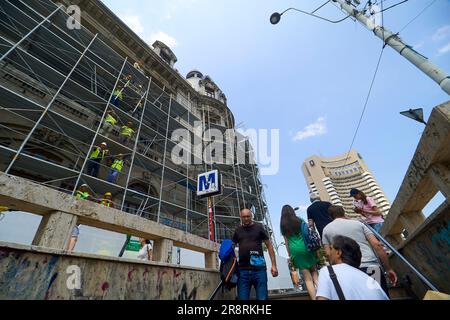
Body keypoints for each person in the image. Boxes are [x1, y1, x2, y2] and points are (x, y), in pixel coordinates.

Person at [322, 205, 397, 296]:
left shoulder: (326, 229)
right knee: (378, 295)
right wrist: (388, 268)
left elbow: (328, 254)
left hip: (346, 271)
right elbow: (377, 245)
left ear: (330, 216)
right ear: (343, 212)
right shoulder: (358, 223)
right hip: (371, 267)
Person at [316, 235, 389, 300]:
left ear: (338, 252)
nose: (329, 253)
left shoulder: (328, 271)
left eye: (331, 248)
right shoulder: (371, 280)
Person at [232, 207, 278, 300]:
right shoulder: (238, 230)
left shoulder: (259, 228)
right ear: (240, 217)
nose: (246, 218)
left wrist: (274, 265)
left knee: (262, 298)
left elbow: (269, 245)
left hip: (259, 270)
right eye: (244, 217)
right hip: (243, 270)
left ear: (251, 216)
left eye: (248, 216)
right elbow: (232, 246)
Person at [280, 205, 319, 300]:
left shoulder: (283, 225)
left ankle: (314, 299)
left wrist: (289, 254)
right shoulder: (299, 219)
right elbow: (308, 233)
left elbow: (286, 241)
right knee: (314, 272)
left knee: (307, 279)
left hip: (295, 251)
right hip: (307, 247)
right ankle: (323, 295)